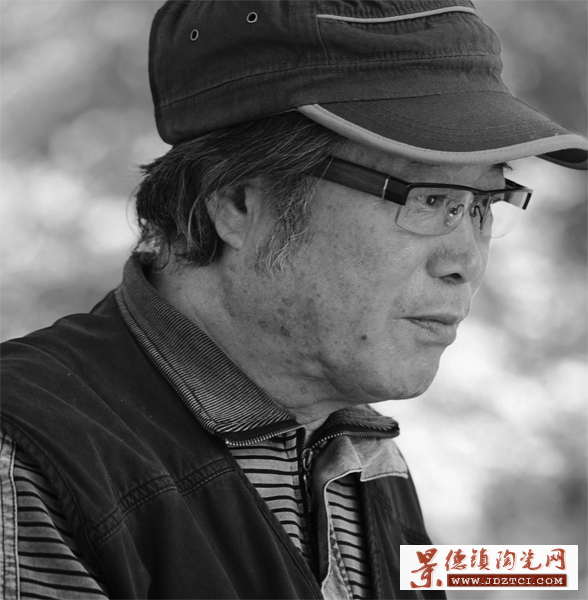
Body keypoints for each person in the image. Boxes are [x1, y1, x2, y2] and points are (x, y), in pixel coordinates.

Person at [1, 1, 586, 599]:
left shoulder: (352, 448)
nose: (465, 263)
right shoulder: (32, 459)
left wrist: (555, 569)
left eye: (484, 205)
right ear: (237, 203)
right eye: (430, 200)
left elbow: (451, 574)